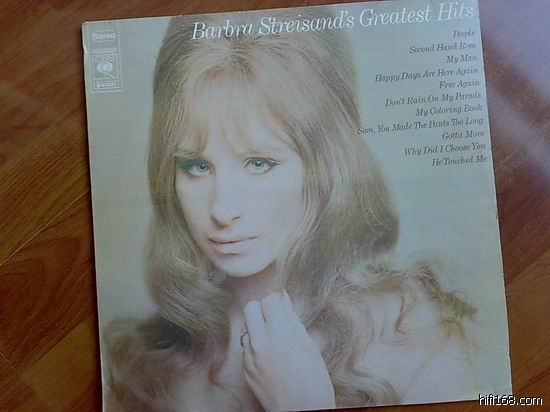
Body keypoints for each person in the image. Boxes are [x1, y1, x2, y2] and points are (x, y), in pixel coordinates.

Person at [107, 7, 478, 412]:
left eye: (259, 163)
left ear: (325, 166)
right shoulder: (146, 366)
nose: (222, 209)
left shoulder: (411, 331)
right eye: (197, 166)